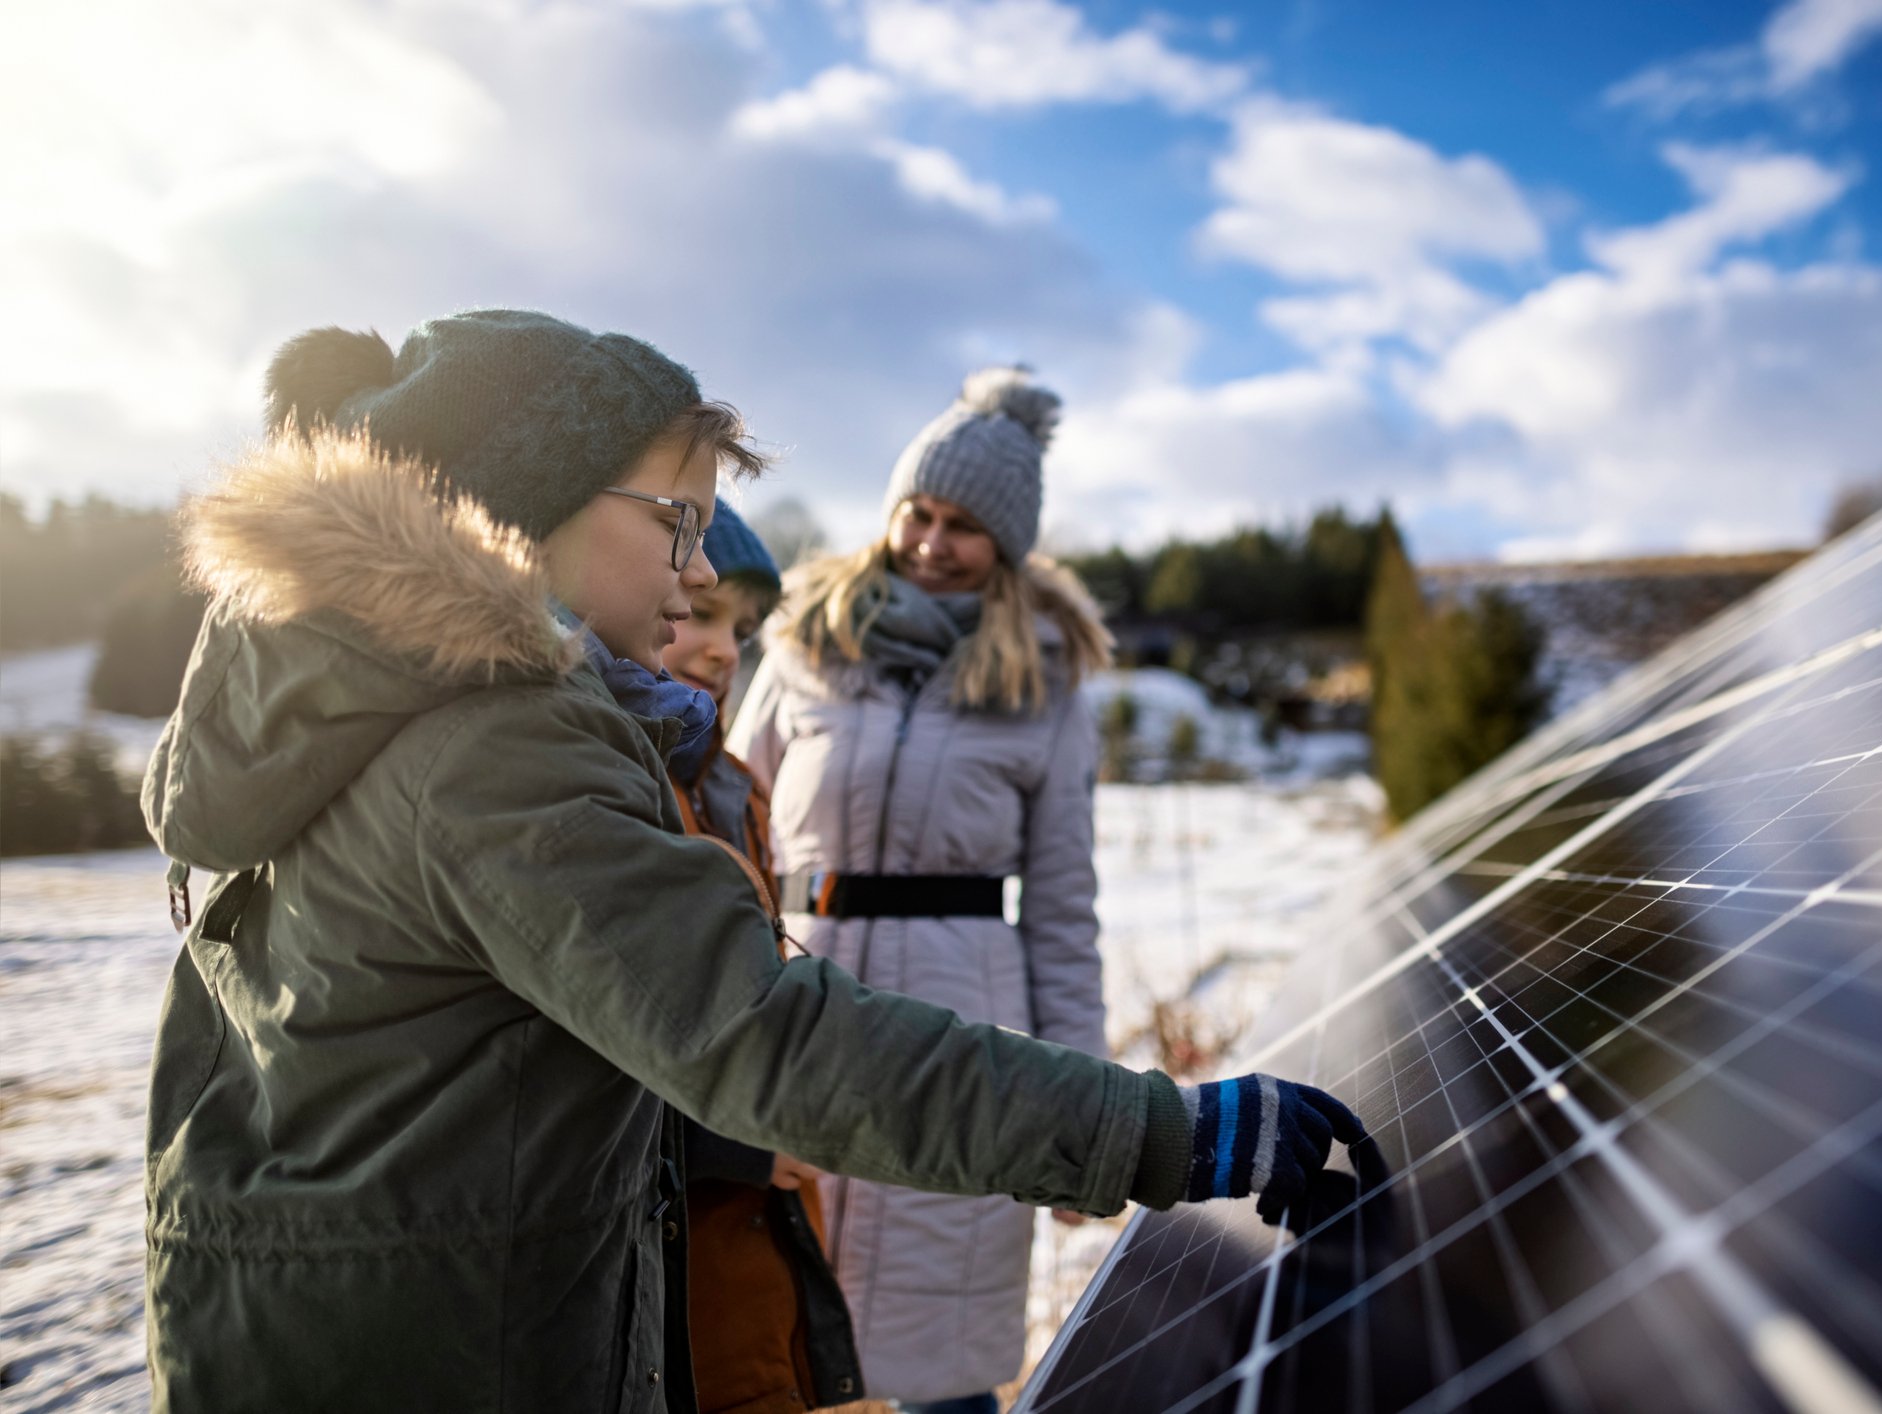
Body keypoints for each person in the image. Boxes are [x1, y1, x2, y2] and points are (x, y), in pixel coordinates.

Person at [140, 310, 1364, 1413]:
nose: (696, 569)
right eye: (673, 519)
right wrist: (1150, 1129)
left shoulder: (347, 698)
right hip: (440, 1343)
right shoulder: (490, 744)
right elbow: (754, 1031)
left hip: (316, 1313)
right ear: (529, 502)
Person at [721, 369, 1099, 1412]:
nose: (931, 542)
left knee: (941, 1351)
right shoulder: (803, 642)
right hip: (800, 1003)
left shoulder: (1048, 681)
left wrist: (1081, 1115)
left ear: (1006, 545)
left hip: (965, 1024)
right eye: (917, 512)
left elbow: (1062, 909)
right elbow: (730, 825)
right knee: (771, 1335)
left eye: (963, 526)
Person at [663, 501, 864, 1411]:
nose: (722, 651)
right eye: (700, 614)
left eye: (742, 631)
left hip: (761, 1228)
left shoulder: (735, 790)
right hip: (678, 1250)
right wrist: (738, 1142)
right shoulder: (604, 788)